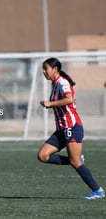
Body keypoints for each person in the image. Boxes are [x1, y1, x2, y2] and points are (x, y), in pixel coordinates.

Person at [37, 57, 104, 200]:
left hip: (71, 127)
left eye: (46, 68)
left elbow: (69, 99)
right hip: (61, 129)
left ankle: (97, 190)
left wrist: (50, 104)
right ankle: (77, 159)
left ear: (55, 69)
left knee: (75, 162)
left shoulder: (62, 82)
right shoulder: (55, 84)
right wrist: (51, 104)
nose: (44, 72)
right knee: (43, 156)